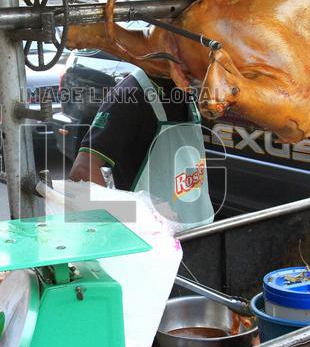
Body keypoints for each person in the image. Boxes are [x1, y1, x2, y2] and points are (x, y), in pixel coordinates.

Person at [68, 69, 214, 229]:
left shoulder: (187, 90)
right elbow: (82, 170)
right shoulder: (129, 95)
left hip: (199, 234)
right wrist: (139, 216)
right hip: (155, 241)